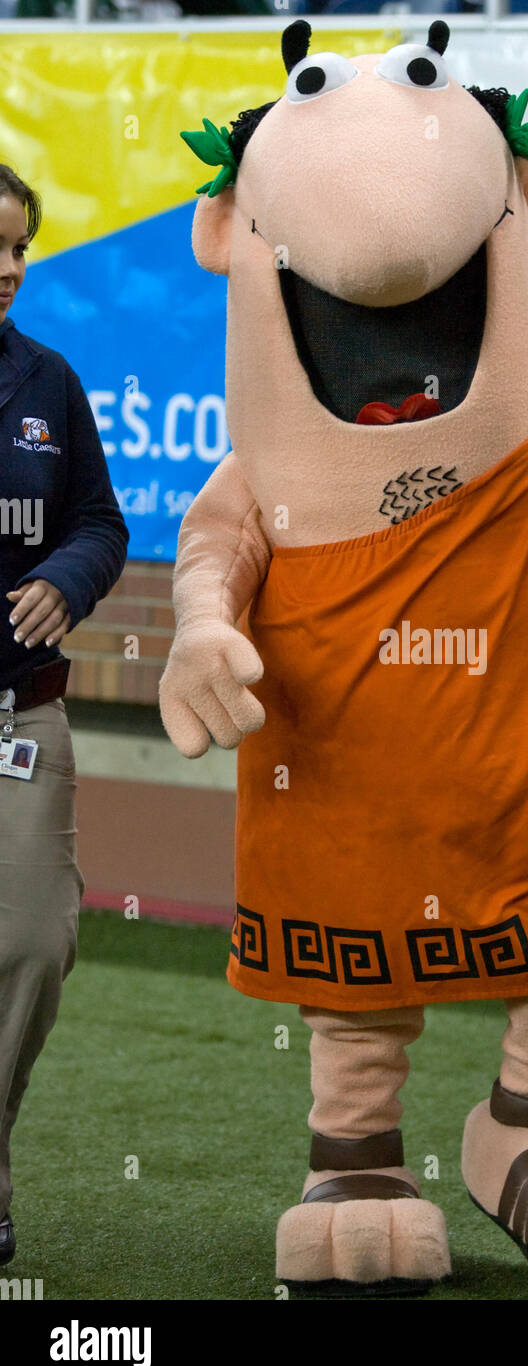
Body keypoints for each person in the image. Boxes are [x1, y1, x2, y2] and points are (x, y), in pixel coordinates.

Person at [0, 164, 129, 1265]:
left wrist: (70, 579)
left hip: (23, 722)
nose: (7, 268)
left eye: (20, 247)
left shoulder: (49, 384)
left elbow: (99, 520)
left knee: (35, 945)